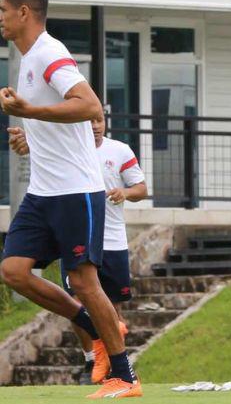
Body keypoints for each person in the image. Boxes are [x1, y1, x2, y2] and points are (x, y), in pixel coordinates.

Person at [0, 0, 141, 398]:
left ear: (24, 12)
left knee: (83, 281)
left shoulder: (49, 53)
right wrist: (30, 131)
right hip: (44, 193)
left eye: (4, 10)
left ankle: (124, 377)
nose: (0, 18)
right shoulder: (28, 60)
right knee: (13, 271)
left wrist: (30, 111)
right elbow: (62, 119)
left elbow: (89, 106)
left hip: (76, 191)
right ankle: (94, 325)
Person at [9, 116, 148, 385]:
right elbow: (44, 142)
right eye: (90, 121)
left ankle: (118, 368)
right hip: (72, 230)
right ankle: (91, 360)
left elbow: (141, 188)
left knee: (107, 304)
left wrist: (125, 193)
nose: (95, 125)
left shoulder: (118, 150)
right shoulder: (65, 143)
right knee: (75, 294)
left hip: (113, 241)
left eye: (100, 120)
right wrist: (30, 139)